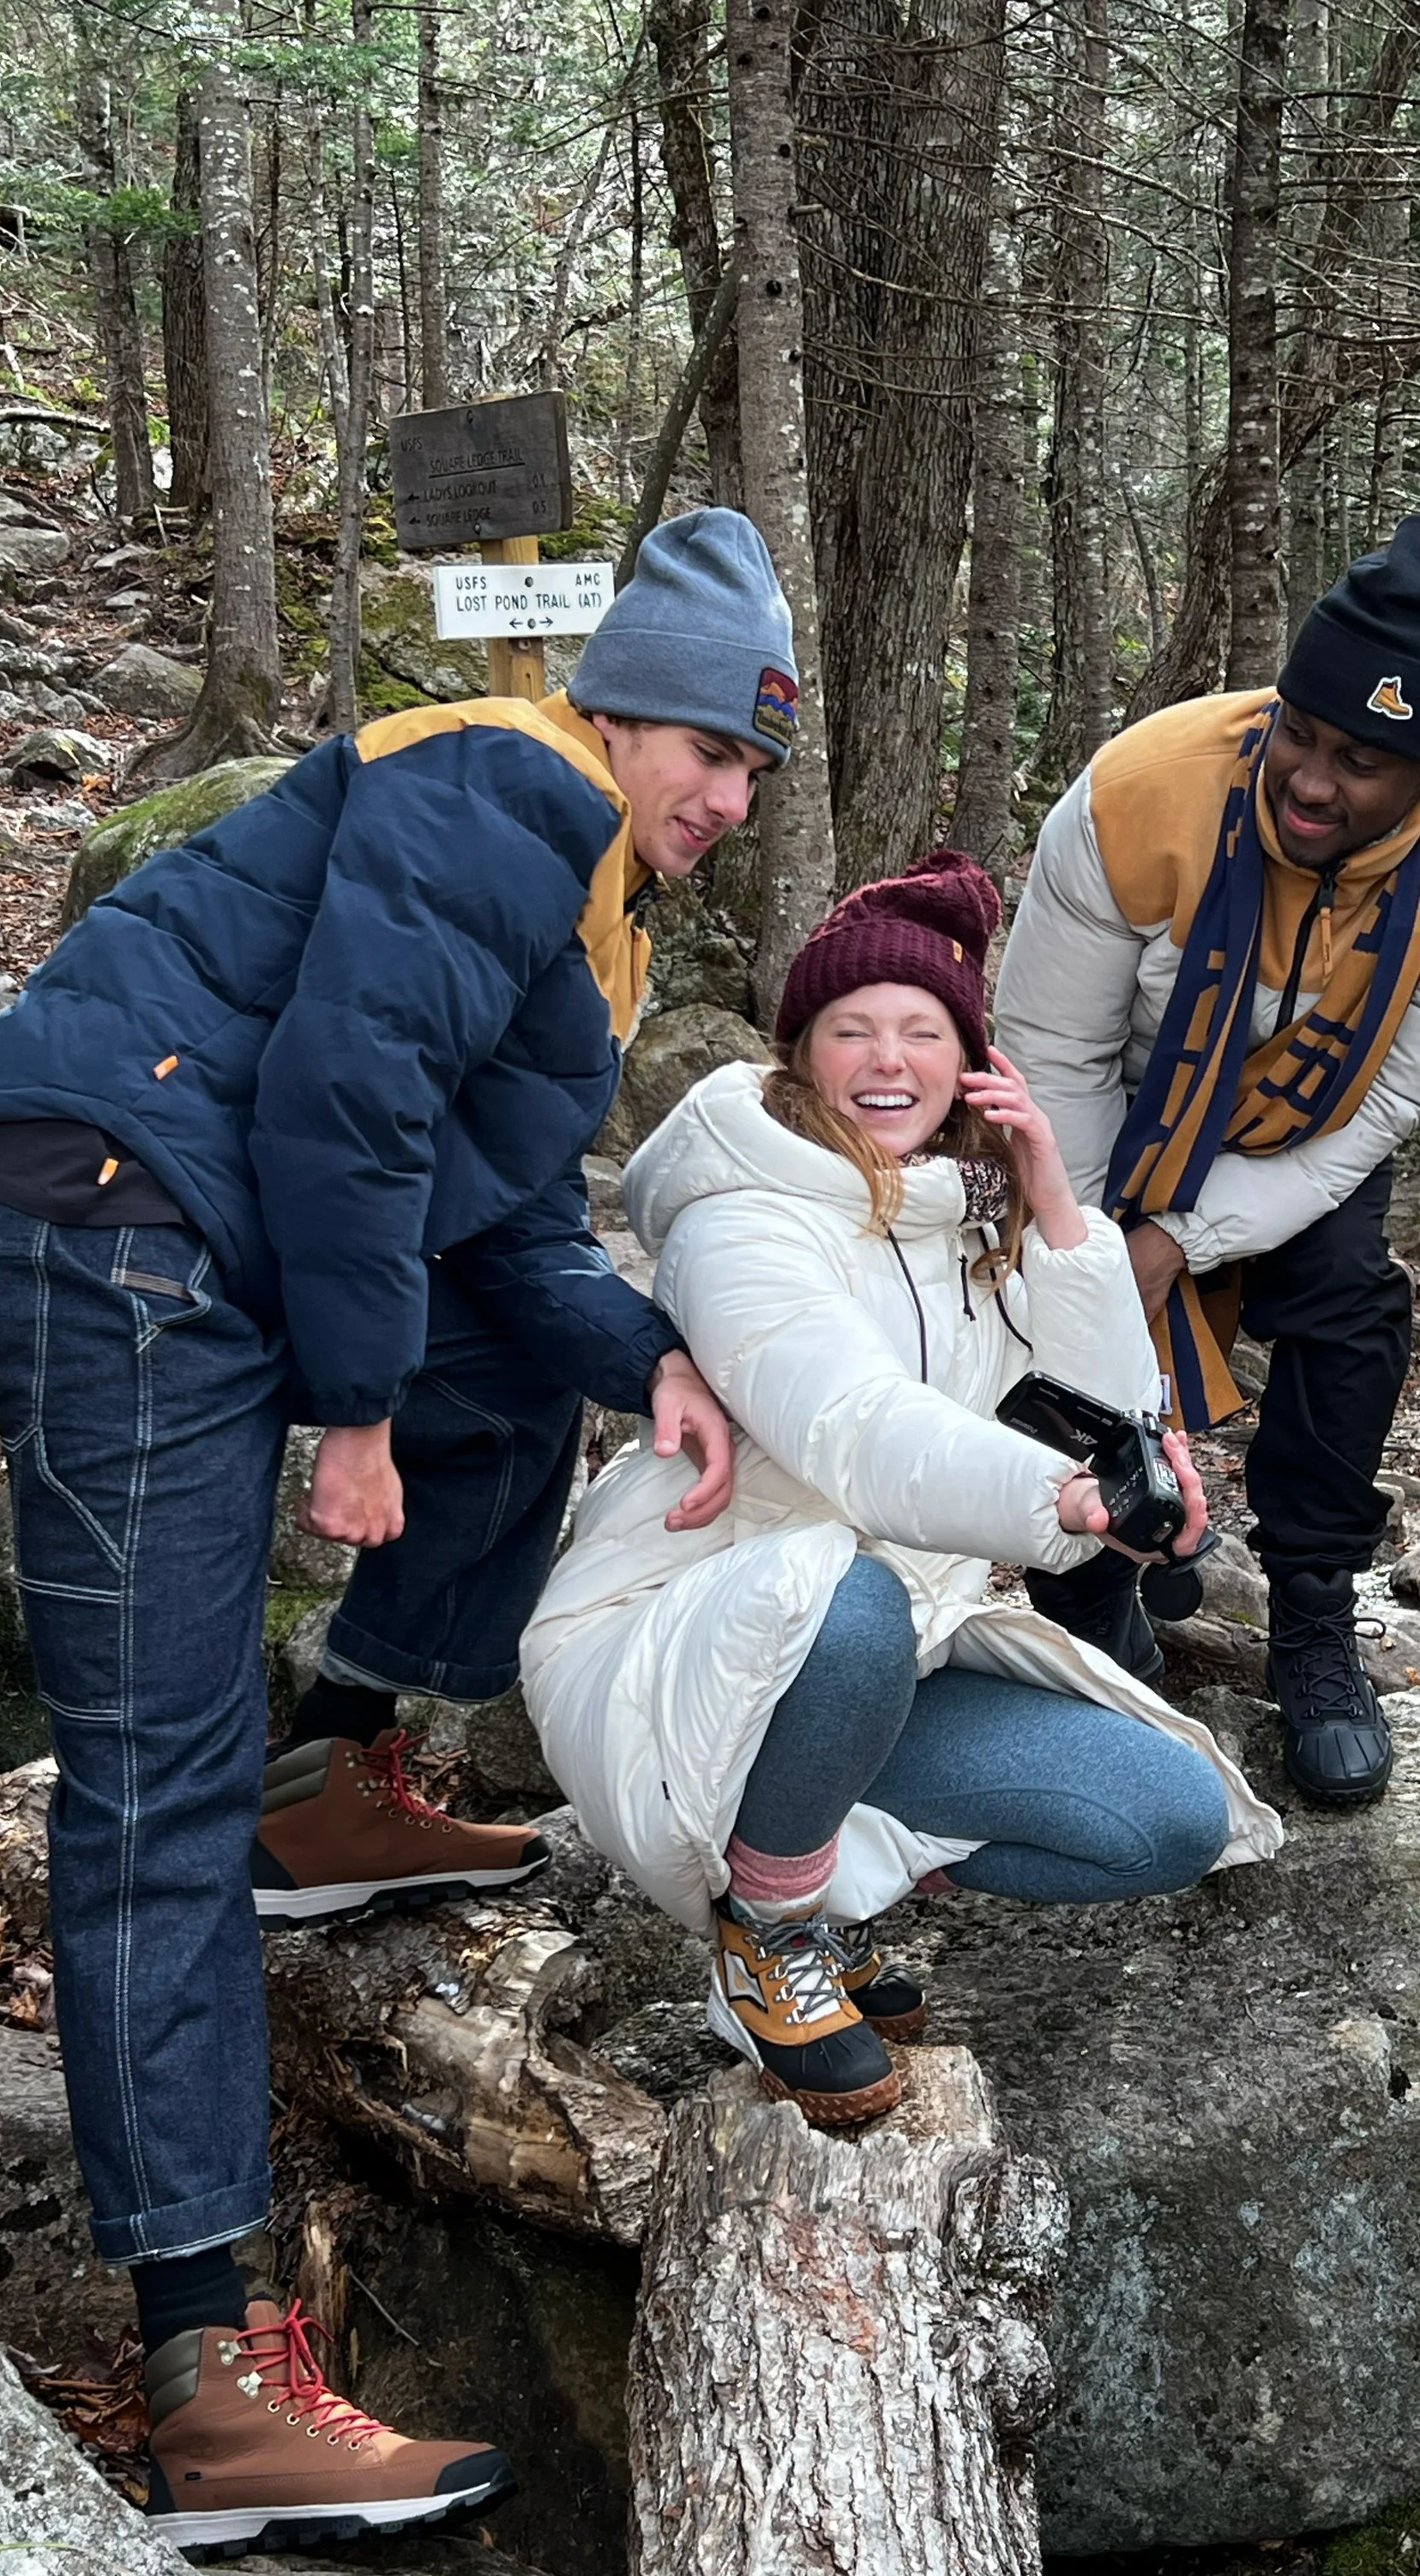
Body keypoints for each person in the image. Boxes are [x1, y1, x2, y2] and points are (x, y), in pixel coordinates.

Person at [0, 507, 795, 2554]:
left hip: (183, 1221)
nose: (728, 801)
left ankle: (328, 1777)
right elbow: (348, 1094)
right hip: (104, 1211)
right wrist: (366, 1412)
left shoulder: (582, 894)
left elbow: (502, 1227)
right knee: (155, 1786)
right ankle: (208, 2381)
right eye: (710, 754)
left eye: (754, 768)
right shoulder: (510, 782)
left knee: (524, 1389)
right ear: (628, 714)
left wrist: (655, 1355)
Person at [522, 852, 1283, 2129]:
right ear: (798, 1055)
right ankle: (768, 1936)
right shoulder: (740, 1219)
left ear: (969, 1061)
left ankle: (821, 1885)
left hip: (886, 1661)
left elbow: (1097, 1409)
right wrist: (1062, 1503)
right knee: (850, 1596)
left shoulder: (962, 1217)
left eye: (923, 1031)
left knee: (1166, 1818)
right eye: (852, 1028)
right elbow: (854, 1431)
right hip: (679, 1647)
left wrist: (1054, 1206)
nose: (889, 1059)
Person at [995, 514, 1420, 1808]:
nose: (1310, 780)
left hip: (1317, 1124)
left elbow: (1391, 1103)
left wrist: (1182, 1243)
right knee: (1052, 1312)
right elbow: (1053, 1053)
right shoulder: (1142, 793)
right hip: (1113, 1102)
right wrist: (1097, 1260)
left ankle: (1311, 1618)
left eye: (1362, 762)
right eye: (1299, 734)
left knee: (1350, 1304)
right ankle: (1099, 1576)